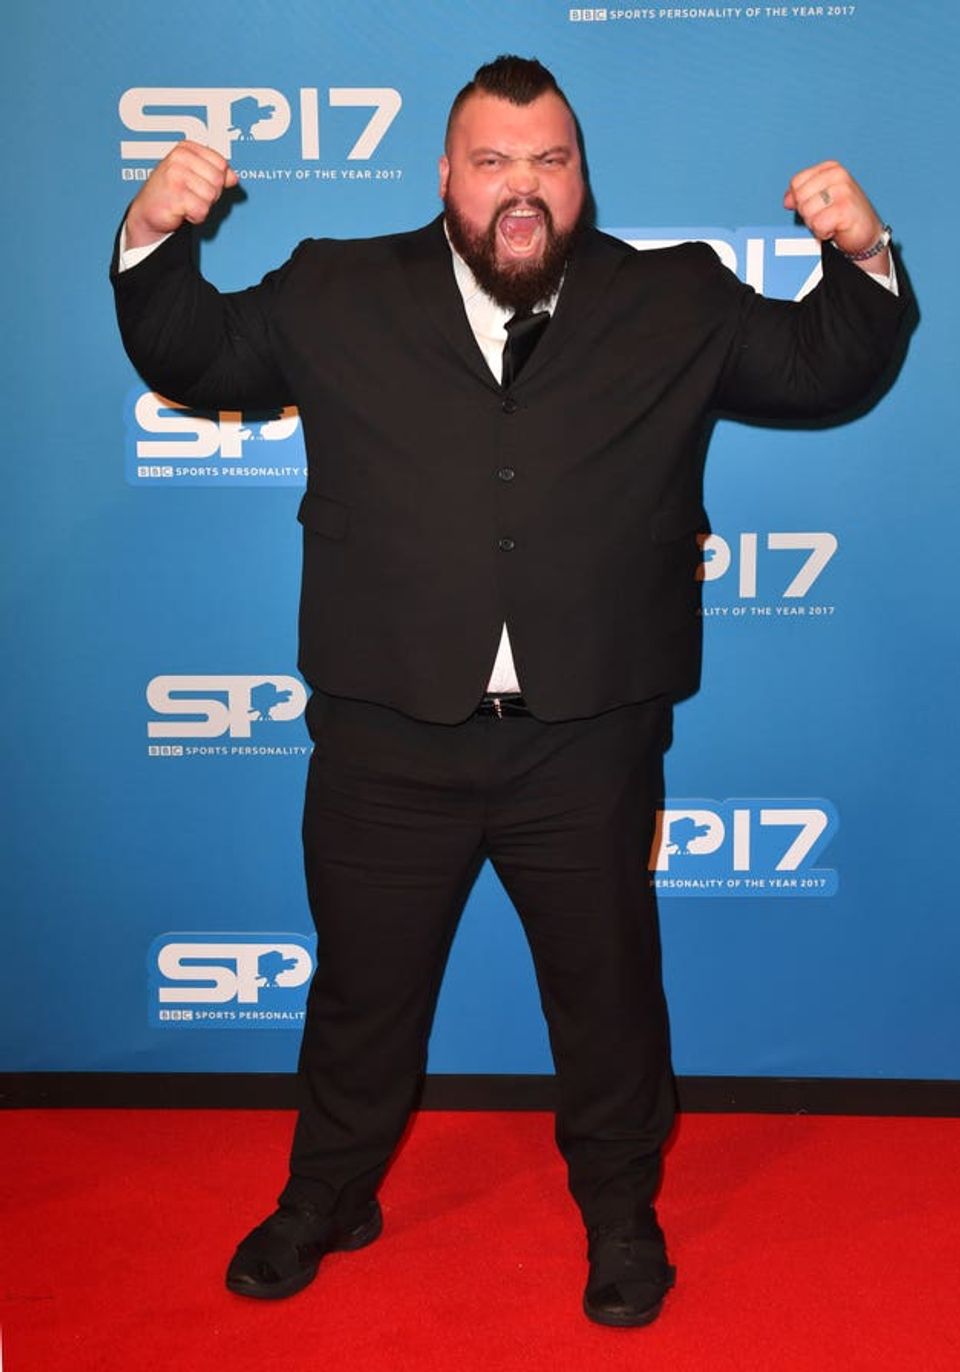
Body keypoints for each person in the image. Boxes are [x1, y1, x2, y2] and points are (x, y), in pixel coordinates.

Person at [113, 55, 907, 1328]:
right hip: (383, 736)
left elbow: (824, 368)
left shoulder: (674, 296)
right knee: (361, 994)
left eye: (548, 161)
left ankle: (618, 1211)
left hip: (585, 739)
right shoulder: (333, 286)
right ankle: (329, 1195)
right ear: (446, 176)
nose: (520, 188)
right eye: (493, 162)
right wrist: (152, 238)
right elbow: (198, 353)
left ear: (582, 177)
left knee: (606, 999)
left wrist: (860, 254)